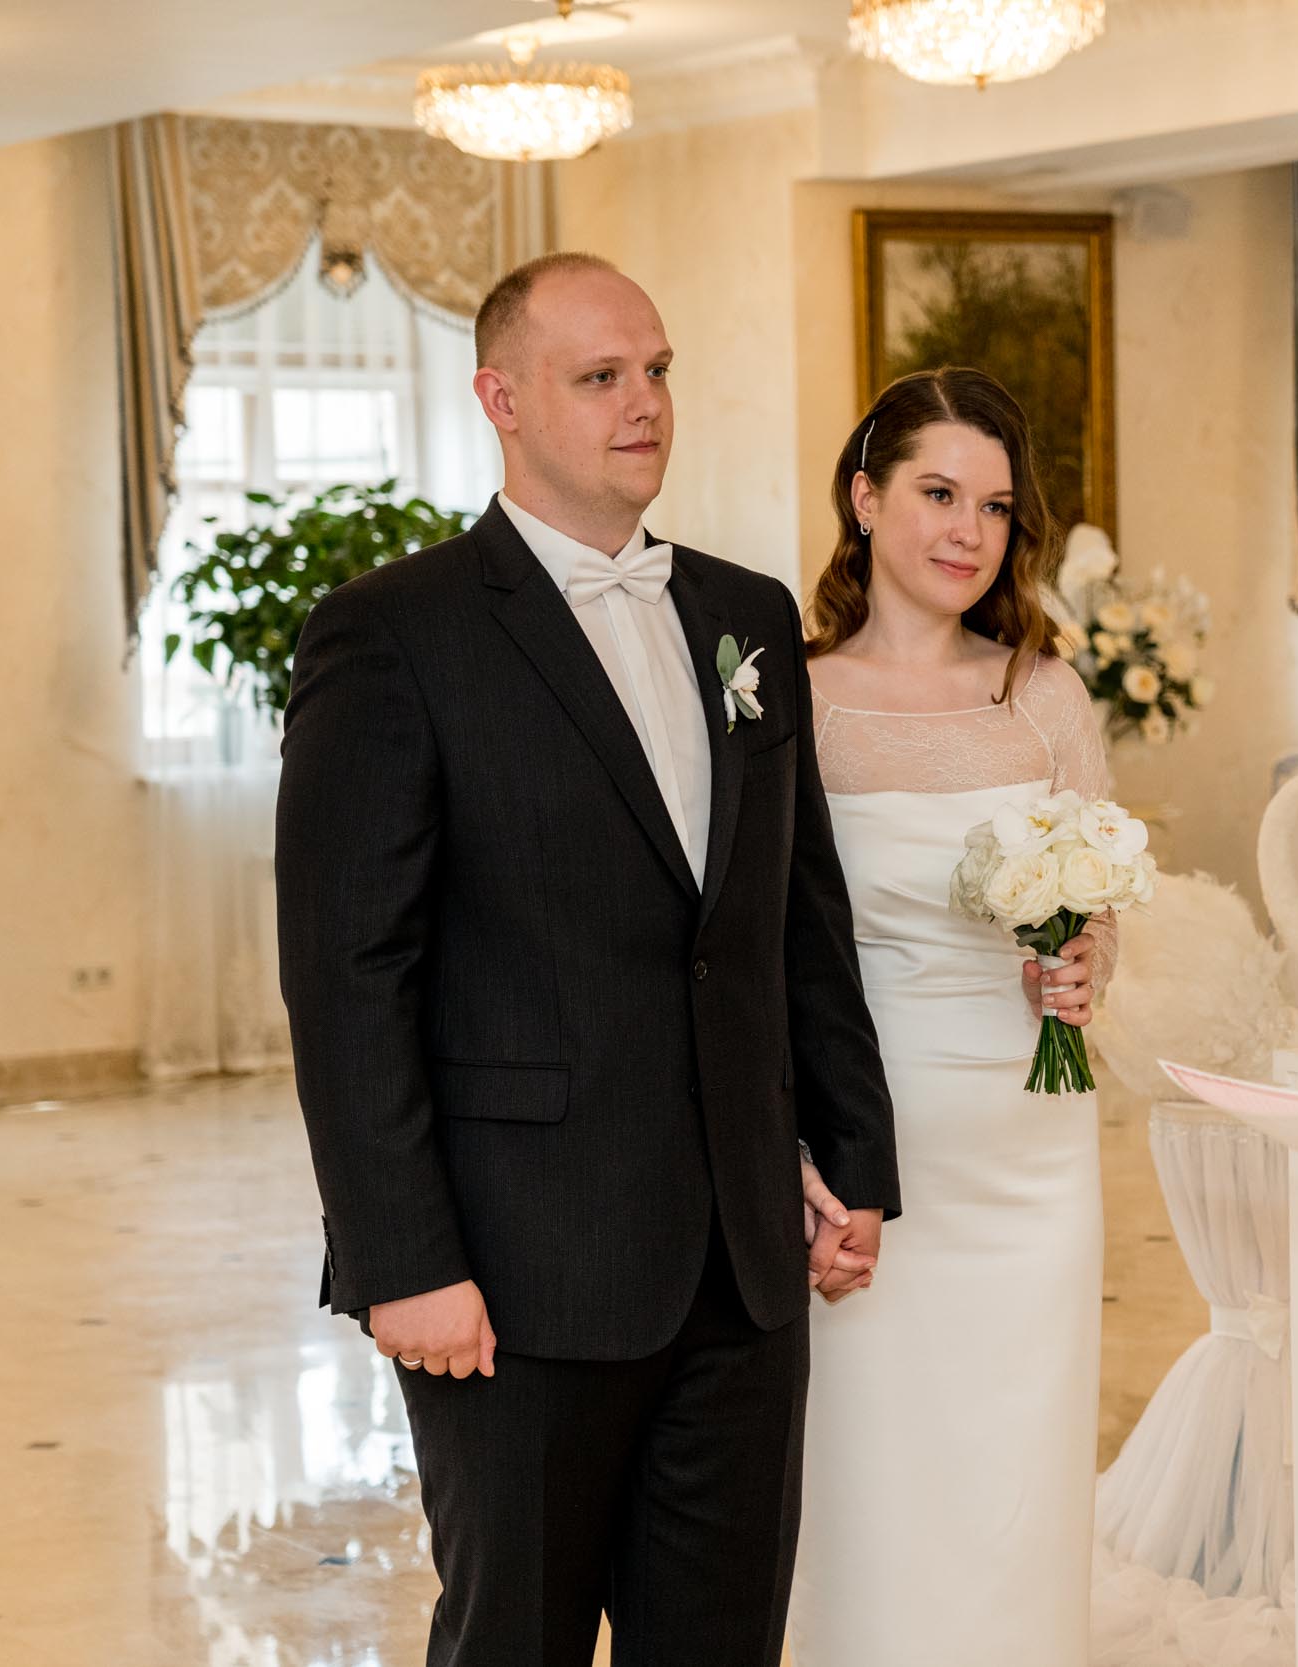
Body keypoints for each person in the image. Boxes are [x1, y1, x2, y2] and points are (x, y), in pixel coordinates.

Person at [274, 251, 900, 1667]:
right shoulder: (393, 633)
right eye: (601, 376)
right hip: (514, 1278)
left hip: (741, 1274)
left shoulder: (746, 618)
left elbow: (794, 921)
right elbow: (348, 978)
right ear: (500, 400)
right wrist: (403, 1261)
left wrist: (848, 1158)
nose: (645, 403)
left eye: (658, 370)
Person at [785, 366, 1116, 1666]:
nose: (968, 531)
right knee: (873, 1465)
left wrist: (1081, 969)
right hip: (875, 1139)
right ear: (865, 499)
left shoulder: (1044, 694)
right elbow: (763, 949)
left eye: (993, 505)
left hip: (1033, 1145)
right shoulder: (797, 697)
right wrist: (796, 1144)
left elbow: (1096, 905)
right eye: (937, 493)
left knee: (1019, 1462)